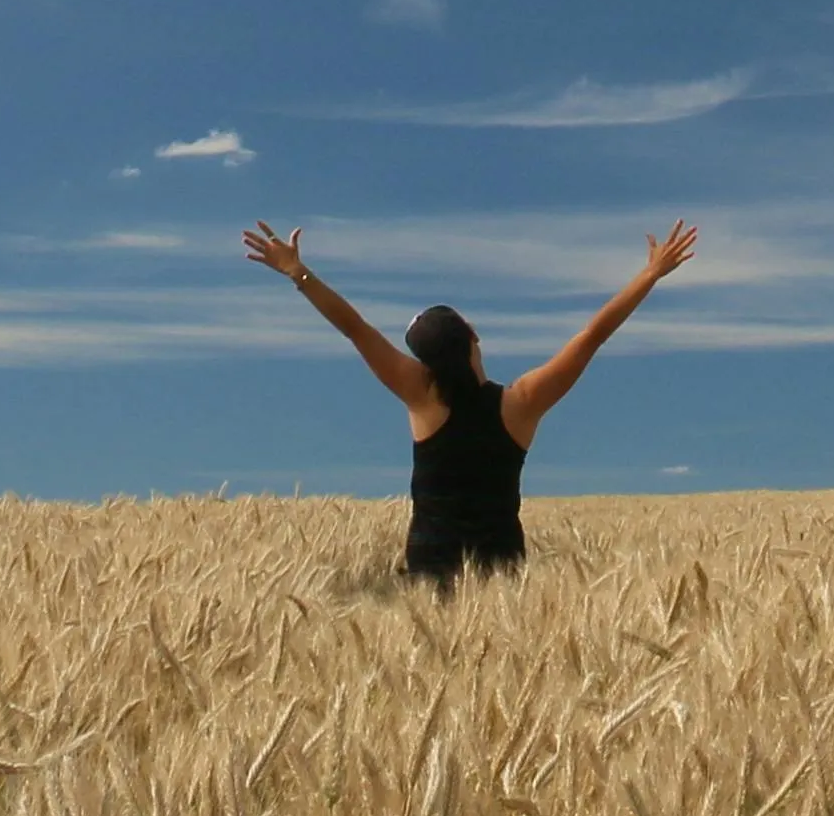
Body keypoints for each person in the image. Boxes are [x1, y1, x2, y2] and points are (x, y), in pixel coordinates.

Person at [242, 219, 702, 587]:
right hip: (502, 572)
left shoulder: (421, 395)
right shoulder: (521, 402)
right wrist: (650, 274)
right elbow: (593, 336)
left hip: (430, 567)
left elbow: (355, 328)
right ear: (473, 337)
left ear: (424, 360)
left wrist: (298, 273)